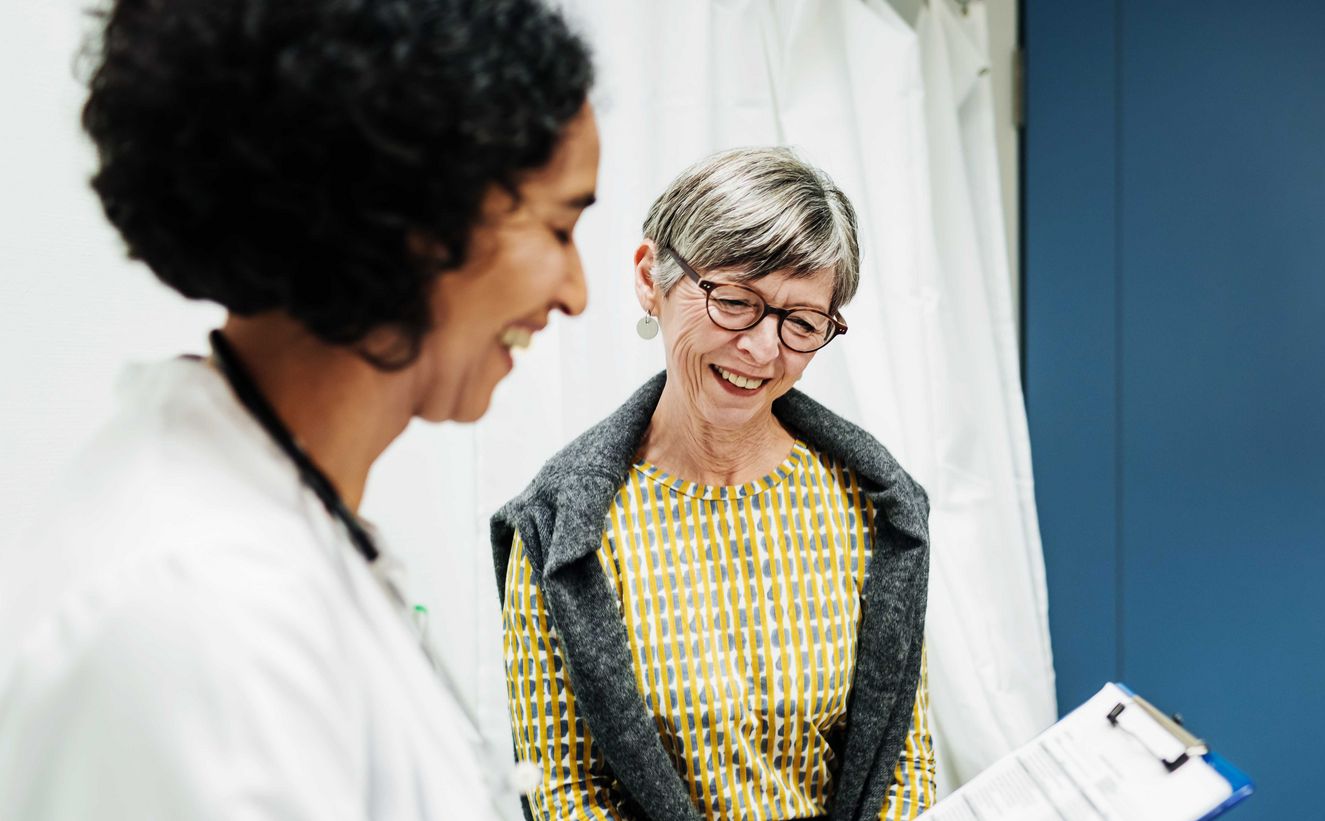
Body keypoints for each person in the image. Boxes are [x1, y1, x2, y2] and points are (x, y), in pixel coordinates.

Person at [0, 0, 598, 818]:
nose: (576, 293)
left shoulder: (282, 524)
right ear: (417, 217)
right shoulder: (195, 607)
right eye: (561, 227)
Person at [492, 147, 937, 821]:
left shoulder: (873, 505)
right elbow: (564, 790)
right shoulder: (561, 529)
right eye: (735, 301)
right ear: (652, 279)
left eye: (802, 322)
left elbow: (900, 759)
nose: (762, 349)